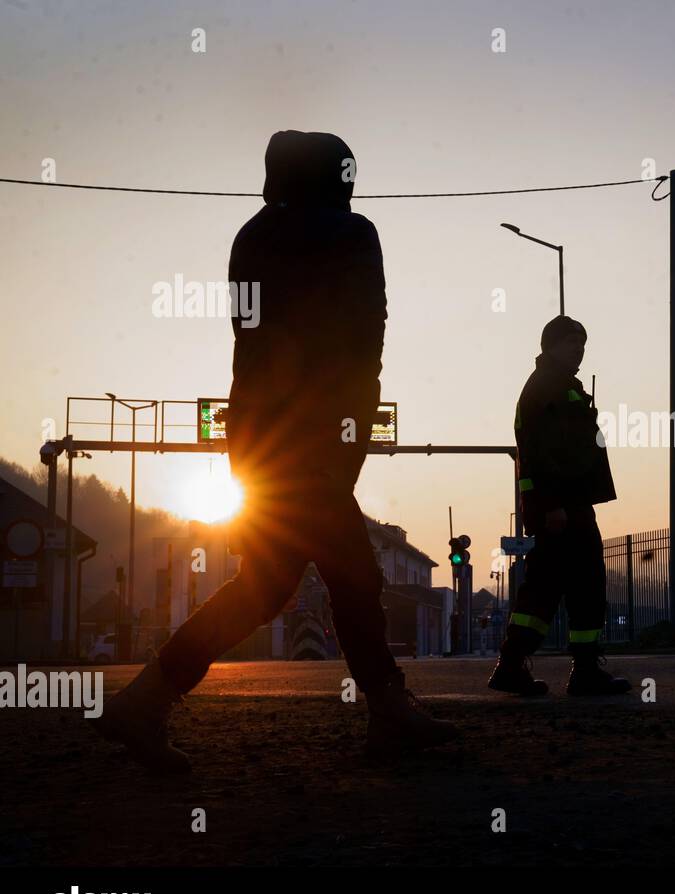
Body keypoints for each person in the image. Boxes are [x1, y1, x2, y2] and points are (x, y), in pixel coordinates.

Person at [96, 130, 458, 773]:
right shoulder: (351, 234)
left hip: (258, 435)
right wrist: (341, 440)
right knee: (354, 572)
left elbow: (253, 334)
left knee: (264, 587)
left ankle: (144, 700)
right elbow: (364, 338)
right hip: (313, 437)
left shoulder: (252, 235)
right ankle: (389, 711)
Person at [488, 315, 630, 697]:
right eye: (572, 344)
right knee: (582, 584)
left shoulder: (559, 385)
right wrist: (552, 505)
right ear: (549, 345)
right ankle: (580, 672)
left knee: (547, 587)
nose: (579, 351)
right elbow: (537, 452)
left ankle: (514, 665)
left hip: (567, 504)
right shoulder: (546, 387)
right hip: (563, 506)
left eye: (582, 344)